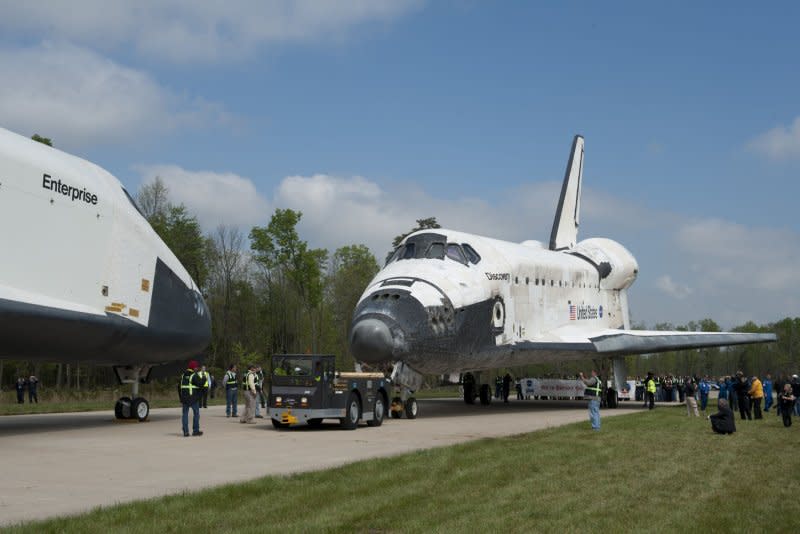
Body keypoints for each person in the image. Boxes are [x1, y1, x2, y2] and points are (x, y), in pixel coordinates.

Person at [178, 360, 206, 437]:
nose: (197, 368)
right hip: (193, 398)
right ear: (193, 368)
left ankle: (186, 432)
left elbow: (179, 387)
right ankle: (195, 431)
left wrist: (181, 397)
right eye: (196, 367)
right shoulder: (194, 375)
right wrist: (204, 377)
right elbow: (200, 384)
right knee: (196, 414)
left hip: (184, 398)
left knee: (185, 415)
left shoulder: (183, 375)